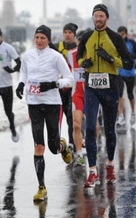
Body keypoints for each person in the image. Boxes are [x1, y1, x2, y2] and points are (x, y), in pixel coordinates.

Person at [76, 4, 134, 188]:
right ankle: (92, 171)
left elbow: (128, 63)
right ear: (93, 18)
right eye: (95, 16)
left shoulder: (115, 37)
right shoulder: (86, 36)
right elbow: (78, 56)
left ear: (106, 18)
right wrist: (83, 62)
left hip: (111, 86)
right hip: (91, 87)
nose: (98, 19)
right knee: (90, 128)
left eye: (101, 16)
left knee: (109, 129)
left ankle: (109, 164)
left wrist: (111, 59)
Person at [15, 25, 74, 201]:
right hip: (33, 103)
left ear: (48, 40)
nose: (39, 41)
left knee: (53, 148)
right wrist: (20, 84)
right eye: (37, 37)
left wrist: (53, 84)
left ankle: (62, 146)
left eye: (43, 38)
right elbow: (23, 73)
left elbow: (69, 79)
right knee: (39, 146)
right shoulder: (28, 56)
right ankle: (41, 187)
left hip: (51, 104)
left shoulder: (56, 57)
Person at [54, 23, 79, 154]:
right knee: (61, 115)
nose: (67, 34)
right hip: (60, 87)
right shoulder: (58, 47)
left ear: (74, 34)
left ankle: (71, 143)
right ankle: (59, 141)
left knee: (71, 116)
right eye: (65, 32)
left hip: (73, 87)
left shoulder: (78, 49)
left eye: (70, 32)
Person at [67, 29, 86, 167]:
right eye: (80, 40)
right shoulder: (70, 54)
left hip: (92, 94)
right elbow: (66, 72)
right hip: (77, 94)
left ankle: (93, 146)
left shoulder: (94, 54)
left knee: (93, 127)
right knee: (76, 124)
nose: (81, 43)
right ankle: (79, 154)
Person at [116, 26, 136, 127]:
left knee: (130, 94)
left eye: (122, 34)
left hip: (130, 72)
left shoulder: (132, 43)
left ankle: (133, 112)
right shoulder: (115, 43)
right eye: (119, 34)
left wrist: (129, 55)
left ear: (126, 34)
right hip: (119, 73)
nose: (121, 36)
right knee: (119, 94)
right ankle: (121, 116)